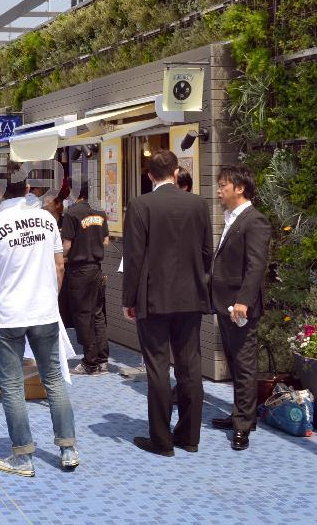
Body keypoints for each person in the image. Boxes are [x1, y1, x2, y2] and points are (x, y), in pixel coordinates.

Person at [0, 176, 77, 477]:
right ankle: (68, 448)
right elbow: (59, 265)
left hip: (10, 314)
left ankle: (23, 455)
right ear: (27, 191)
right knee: (53, 379)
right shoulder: (46, 219)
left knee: (13, 385)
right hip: (44, 311)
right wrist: (49, 297)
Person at [123, 150, 212, 457]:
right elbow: (206, 252)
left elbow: (134, 258)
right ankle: (189, 437)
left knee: (158, 367)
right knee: (190, 366)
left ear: (149, 176)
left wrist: (128, 298)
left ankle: (161, 441)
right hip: (190, 297)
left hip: (153, 297)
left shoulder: (140, 205)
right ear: (177, 172)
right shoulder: (199, 204)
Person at [210, 165, 271, 451]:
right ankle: (241, 414)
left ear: (240, 188)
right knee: (235, 361)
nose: (219, 190)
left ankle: (244, 424)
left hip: (240, 305)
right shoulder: (232, 217)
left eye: (224, 185)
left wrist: (244, 301)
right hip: (226, 303)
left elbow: (255, 265)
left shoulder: (254, 220)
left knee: (244, 363)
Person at [60, 179, 111, 376]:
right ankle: (103, 359)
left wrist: (60, 258)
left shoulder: (72, 213)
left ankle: (90, 362)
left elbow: (67, 245)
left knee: (82, 315)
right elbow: (105, 241)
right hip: (96, 268)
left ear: (73, 192)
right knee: (97, 314)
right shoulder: (100, 212)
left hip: (79, 270)